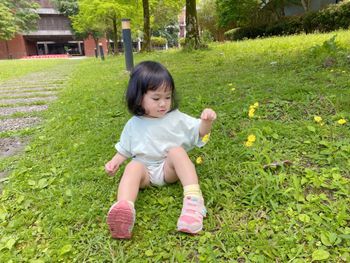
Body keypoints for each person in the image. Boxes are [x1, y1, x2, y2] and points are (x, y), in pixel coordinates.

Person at [105, 61, 217, 239]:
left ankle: (194, 200)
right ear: (138, 97)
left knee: (177, 151)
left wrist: (206, 122)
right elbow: (124, 150)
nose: (163, 103)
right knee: (132, 167)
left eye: (168, 97)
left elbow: (200, 132)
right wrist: (114, 162)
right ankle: (124, 209)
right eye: (156, 98)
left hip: (167, 169)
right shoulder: (134, 124)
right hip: (145, 173)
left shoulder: (175, 118)